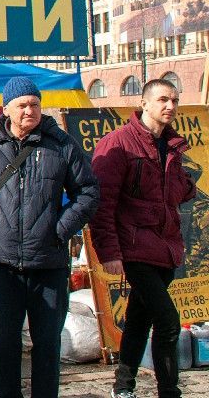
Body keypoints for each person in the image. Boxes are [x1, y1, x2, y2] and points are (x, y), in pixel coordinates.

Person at [0, 77, 99, 398]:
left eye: (34, 104)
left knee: (46, 344)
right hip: (0, 265)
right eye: (22, 105)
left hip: (48, 264)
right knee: (5, 343)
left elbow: (87, 193)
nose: (29, 110)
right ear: (7, 110)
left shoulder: (61, 145)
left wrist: (59, 229)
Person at [89, 79, 196, 398]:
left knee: (139, 318)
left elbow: (173, 194)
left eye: (175, 100)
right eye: (163, 99)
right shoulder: (118, 143)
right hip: (133, 249)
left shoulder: (173, 146)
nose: (171, 106)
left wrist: (186, 184)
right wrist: (109, 251)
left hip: (165, 249)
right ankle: (169, 392)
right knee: (168, 322)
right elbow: (101, 203)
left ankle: (122, 388)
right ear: (144, 103)